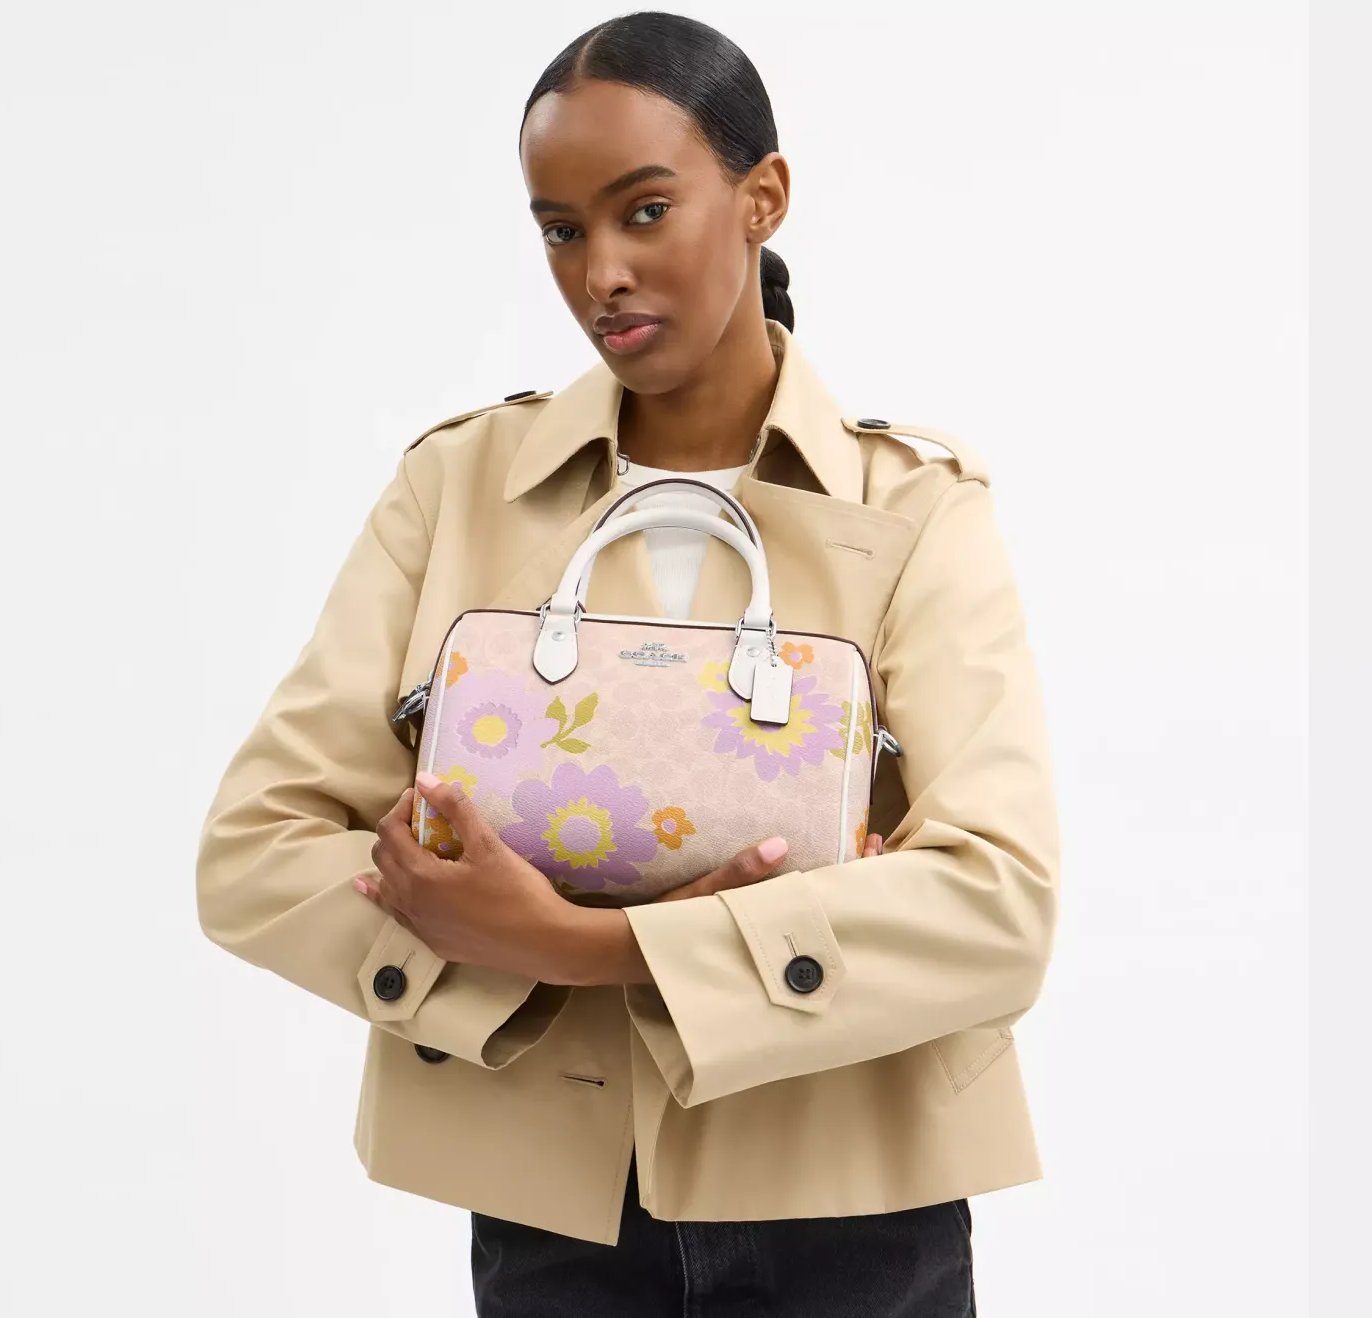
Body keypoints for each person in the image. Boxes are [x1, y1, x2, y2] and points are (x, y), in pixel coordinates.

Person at [196, 11, 1060, 1315]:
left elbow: (1001, 907)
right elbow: (256, 852)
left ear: (763, 196)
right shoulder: (456, 489)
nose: (600, 271)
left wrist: (578, 944)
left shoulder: (913, 509)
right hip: (558, 1212)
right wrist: (498, 953)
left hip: (856, 1200)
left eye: (645, 211)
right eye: (561, 229)